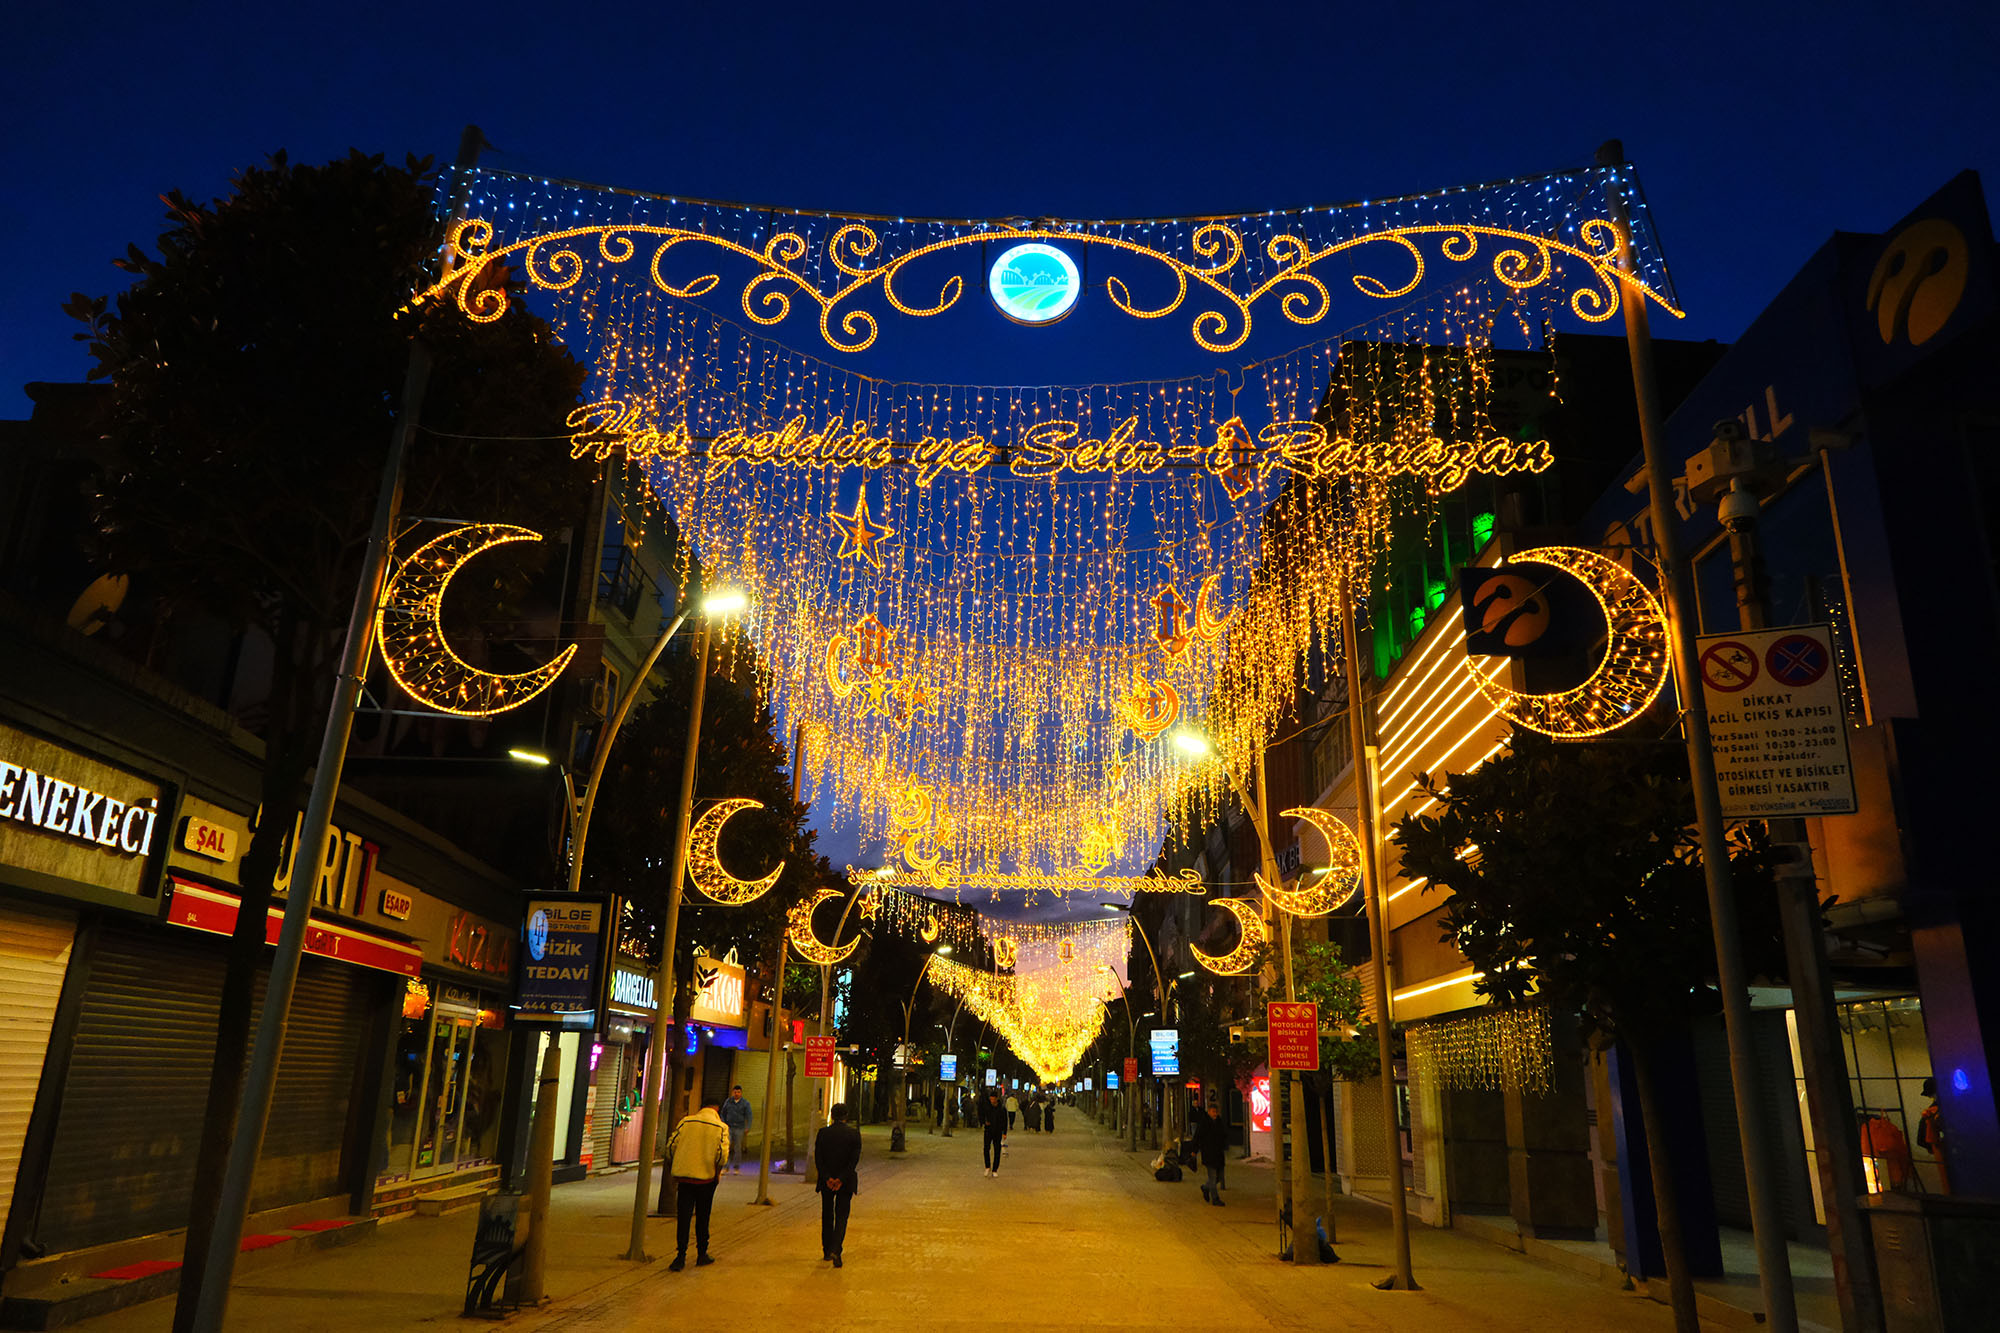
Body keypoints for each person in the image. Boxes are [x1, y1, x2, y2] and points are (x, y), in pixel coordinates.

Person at [664, 1096, 729, 1270]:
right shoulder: (721, 1127)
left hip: (684, 1178)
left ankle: (680, 1256)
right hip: (707, 1179)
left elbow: (671, 1146)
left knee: (683, 1217)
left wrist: (677, 1162)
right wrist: (717, 1171)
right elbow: (722, 1155)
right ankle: (701, 1254)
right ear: (717, 1109)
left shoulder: (686, 1122)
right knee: (703, 1216)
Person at [814, 1101, 862, 1267]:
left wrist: (828, 1177)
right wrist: (841, 1178)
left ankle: (827, 1250)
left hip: (826, 1182)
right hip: (846, 1181)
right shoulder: (854, 1135)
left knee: (827, 1214)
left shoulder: (823, 1133)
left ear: (832, 1116)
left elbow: (818, 1158)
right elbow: (853, 1161)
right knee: (842, 1216)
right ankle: (836, 1248)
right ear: (846, 1116)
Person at [1195, 1100, 1227, 1205]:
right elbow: (1198, 1137)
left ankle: (1205, 1187)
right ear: (1209, 1111)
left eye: (1216, 1112)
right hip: (1209, 1153)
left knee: (1219, 1177)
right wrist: (1194, 1151)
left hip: (1218, 1154)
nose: (1215, 1114)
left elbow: (1223, 1135)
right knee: (1213, 1177)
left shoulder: (1219, 1122)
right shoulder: (1204, 1122)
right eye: (1213, 1112)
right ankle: (1215, 1198)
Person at [720, 1085, 753, 1174]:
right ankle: (725, 1166)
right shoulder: (728, 1102)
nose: (736, 1094)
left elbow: (749, 1116)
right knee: (727, 1147)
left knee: (737, 1148)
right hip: (729, 1127)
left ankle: (736, 1167)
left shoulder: (745, 1103)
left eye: (738, 1092)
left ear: (741, 1093)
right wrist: (723, 1123)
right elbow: (723, 1113)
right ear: (732, 1092)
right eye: (735, 1092)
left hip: (739, 1128)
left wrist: (748, 1127)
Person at [979, 1088, 1007, 1176]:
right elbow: (981, 1114)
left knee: (997, 1150)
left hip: (998, 1131)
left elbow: (1005, 1121)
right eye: (990, 1099)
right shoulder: (987, 1107)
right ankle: (987, 1167)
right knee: (986, 1148)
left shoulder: (1001, 1109)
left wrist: (1004, 1132)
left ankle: (995, 1169)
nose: (992, 1100)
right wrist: (984, 1122)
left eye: (993, 1099)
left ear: (996, 1099)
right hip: (988, 1130)